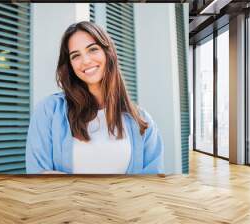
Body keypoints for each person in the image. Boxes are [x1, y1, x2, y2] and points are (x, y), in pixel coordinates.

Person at [26, 21, 164, 174]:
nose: (85, 61)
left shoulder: (142, 122)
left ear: (108, 52)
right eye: (75, 56)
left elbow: (151, 182)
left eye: (92, 49)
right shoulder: (48, 111)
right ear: (70, 65)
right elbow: (37, 174)